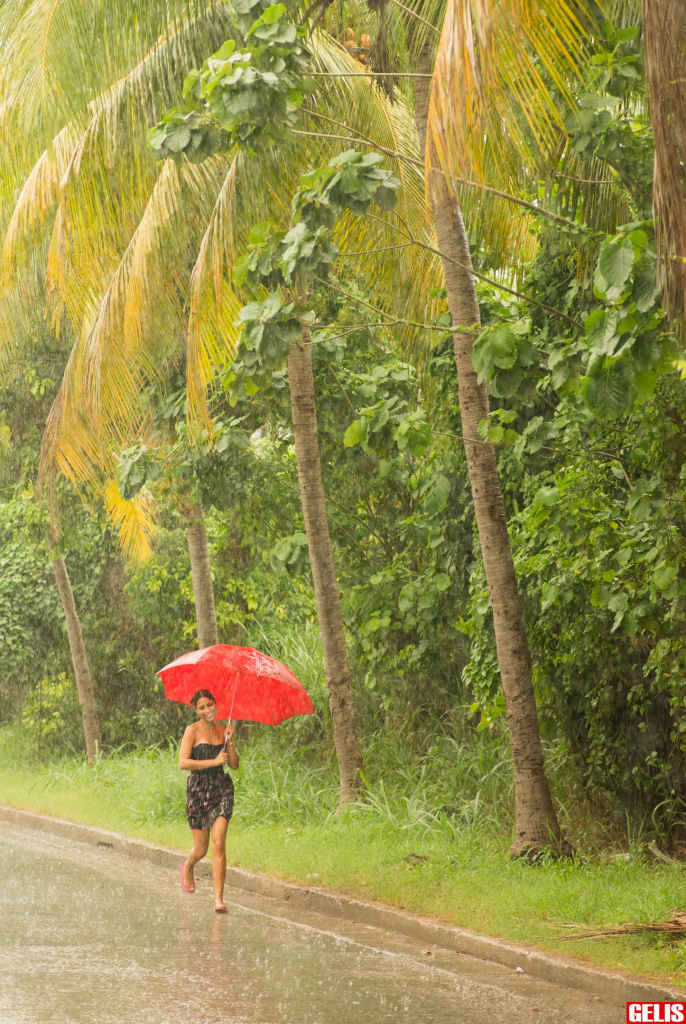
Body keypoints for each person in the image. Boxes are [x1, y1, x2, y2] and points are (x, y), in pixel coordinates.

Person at [178, 688, 240, 912]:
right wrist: (213, 762)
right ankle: (188, 866)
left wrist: (230, 742)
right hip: (198, 791)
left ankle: (218, 900)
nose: (207, 710)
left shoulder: (224, 731)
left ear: (216, 703)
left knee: (219, 842)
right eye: (201, 707)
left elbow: (234, 765)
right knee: (201, 849)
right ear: (196, 710)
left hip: (221, 789)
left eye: (210, 705)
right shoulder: (192, 730)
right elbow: (183, 762)